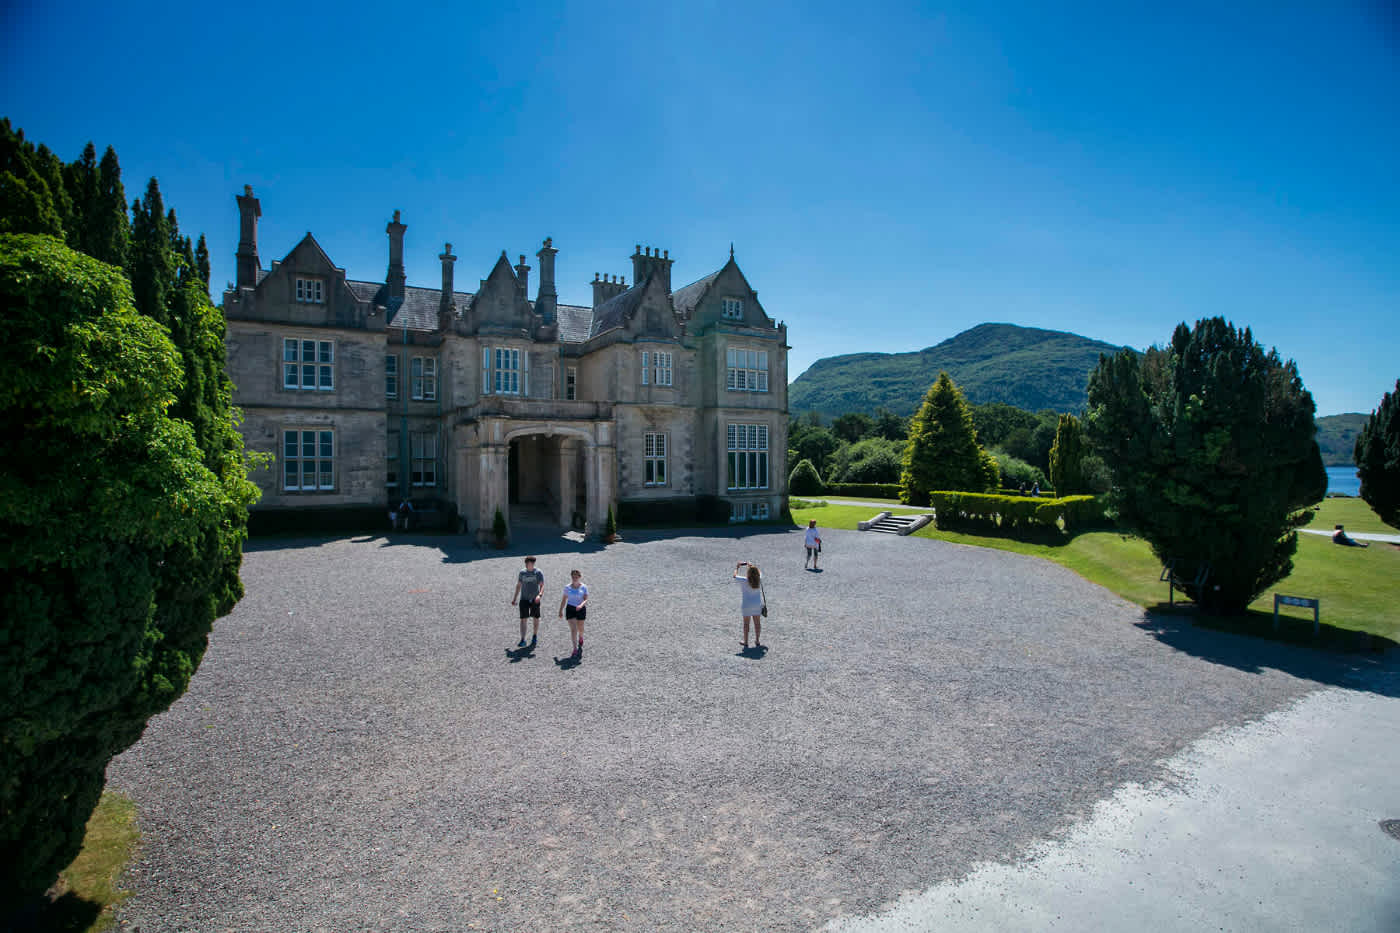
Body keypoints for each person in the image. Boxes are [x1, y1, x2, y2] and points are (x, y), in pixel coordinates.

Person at [511, 556, 544, 648]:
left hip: (534, 599)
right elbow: (519, 585)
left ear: (533, 564)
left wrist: (539, 595)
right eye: (526, 563)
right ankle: (523, 639)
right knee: (523, 619)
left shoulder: (538, 573)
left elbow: (542, 585)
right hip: (524, 599)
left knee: (535, 618)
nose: (527, 565)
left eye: (529, 563)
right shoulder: (522, 573)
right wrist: (514, 598)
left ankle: (534, 635)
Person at [558, 569, 589, 659]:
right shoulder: (567, 587)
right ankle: (575, 648)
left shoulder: (584, 587)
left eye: (576, 576)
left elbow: (586, 599)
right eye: (573, 577)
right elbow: (564, 599)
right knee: (573, 629)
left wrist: (581, 605)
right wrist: (560, 610)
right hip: (570, 609)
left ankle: (581, 637)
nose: (574, 578)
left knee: (580, 628)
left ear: (579, 577)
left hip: (581, 609)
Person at [734, 561, 764, 649]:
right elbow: (759, 572)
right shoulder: (759, 579)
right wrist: (751, 566)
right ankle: (757, 640)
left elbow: (734, 576)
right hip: (757, 604)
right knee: (757, 624)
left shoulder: (744, 580)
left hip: (746, 604)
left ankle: (746, 642)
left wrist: (737, 567)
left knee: (746, 624)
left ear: (748, 573)